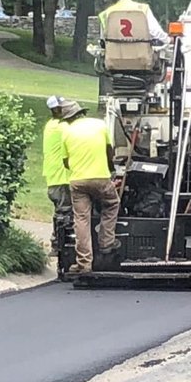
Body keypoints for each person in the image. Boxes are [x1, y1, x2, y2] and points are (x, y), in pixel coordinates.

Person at [60, 107, 121, 273]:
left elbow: (66, 162)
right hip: (101, 178)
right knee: (111, 204)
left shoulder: (66, 132)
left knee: (81, 219)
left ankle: (84, 263)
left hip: (78, 181)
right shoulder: (100, 125)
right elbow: (110, 152)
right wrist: (110, 169)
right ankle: (107, 242)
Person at [43, 96, 73, 254]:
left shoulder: (50, 125)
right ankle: (60, 246)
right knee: (65, 212)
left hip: (53, 176)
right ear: (57, 109)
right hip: (63, 176)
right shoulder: (62, 127)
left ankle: (57, 242)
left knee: (60, 211)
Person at [98, 0, 169, 45]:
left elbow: (104, 40)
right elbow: (155, 31)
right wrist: (168, 40)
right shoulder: (143, 9)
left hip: (114, 57)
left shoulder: (105, 14)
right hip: (142, 55)